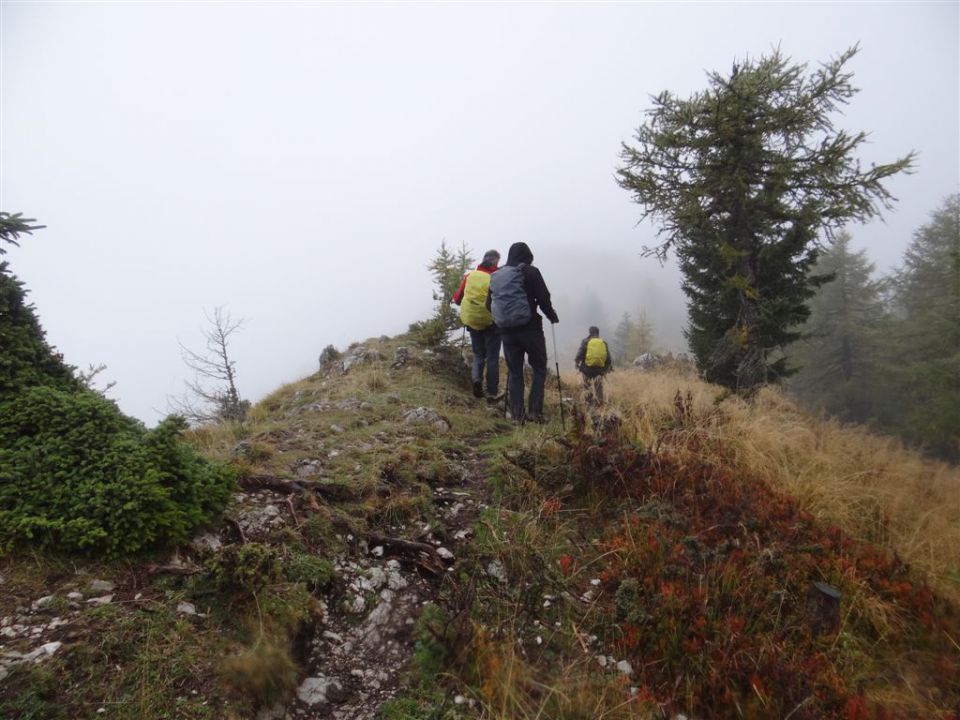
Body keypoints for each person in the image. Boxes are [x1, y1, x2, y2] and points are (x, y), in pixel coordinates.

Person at [487, 241, 559, 423]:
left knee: (515, 372)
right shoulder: (531, 272)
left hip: (507, 332)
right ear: (528, 256)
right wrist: (552, 316)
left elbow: (489, 304)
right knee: (539, 368)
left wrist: (502, 320)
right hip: (531, 330)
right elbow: (543, 298)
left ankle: (517, 416)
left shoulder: (498, 275)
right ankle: (535, 413)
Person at [452, 250, 502, 400]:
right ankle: (492, 391)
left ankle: (476, 381)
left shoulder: (470, 276)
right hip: (491, 322)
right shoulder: (496, 277)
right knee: (492, 357)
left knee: (478, 354)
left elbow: (457, 299)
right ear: (495, 261)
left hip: (473, 321)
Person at [574, 326, 612, 406]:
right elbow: (608, 358)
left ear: (590, 332)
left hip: (587, 369)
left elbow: (580, 353)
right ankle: (600, 405)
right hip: (599, 370)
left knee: (587, 388)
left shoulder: (585, 341)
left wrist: (577, 363)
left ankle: (588, 404)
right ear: (598, 333)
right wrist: (606, 369)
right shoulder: (603, 343)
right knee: (599, 388)